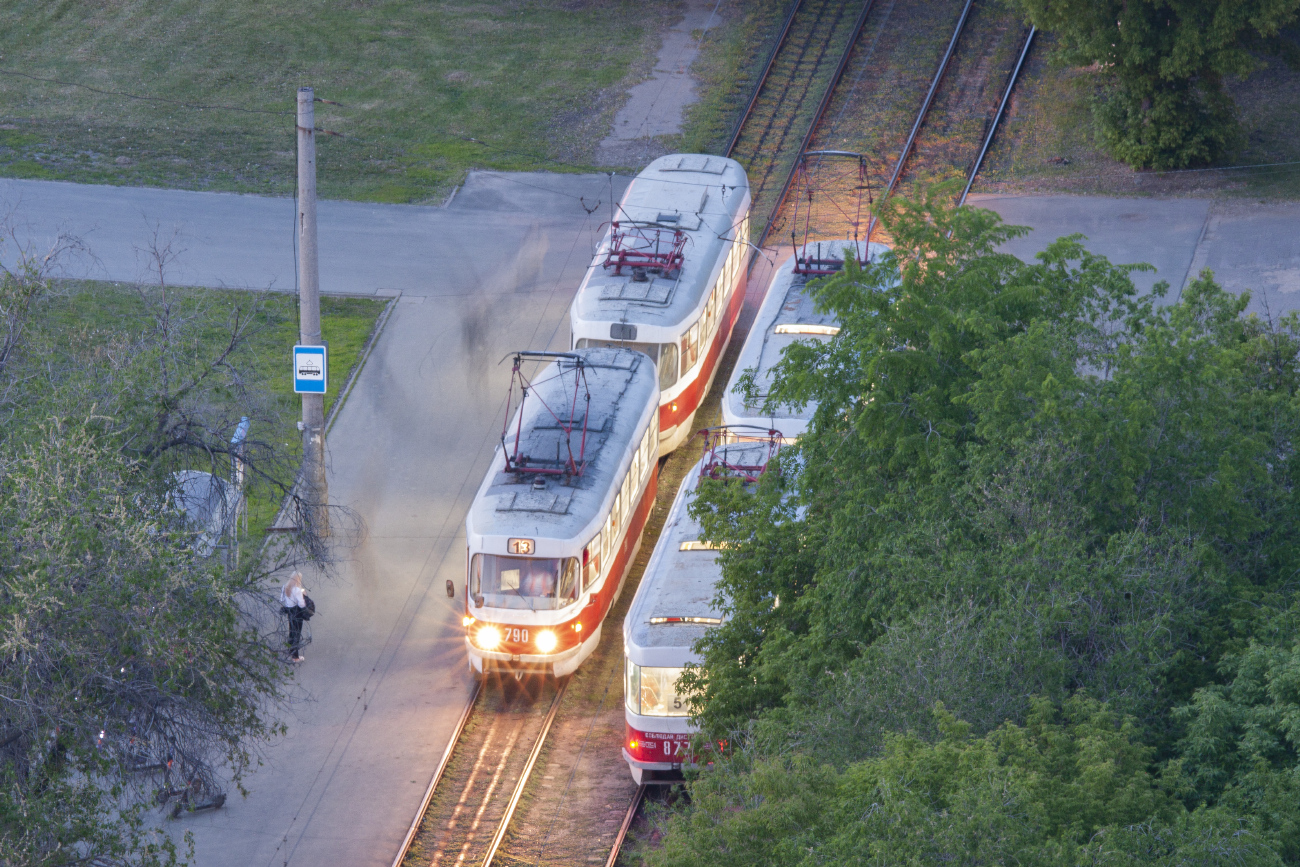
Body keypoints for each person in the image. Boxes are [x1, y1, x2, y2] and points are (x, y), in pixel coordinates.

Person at [280, 571, 308, 662]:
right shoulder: (297, 590)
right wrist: (304, 595)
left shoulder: (284, 587)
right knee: (297, 633)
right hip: (297, 612)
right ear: (298, 579)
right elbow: (301, 604)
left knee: (291, 631)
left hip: (289, 611)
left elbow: (282, 599)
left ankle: (290, 650)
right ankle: (295, 657)